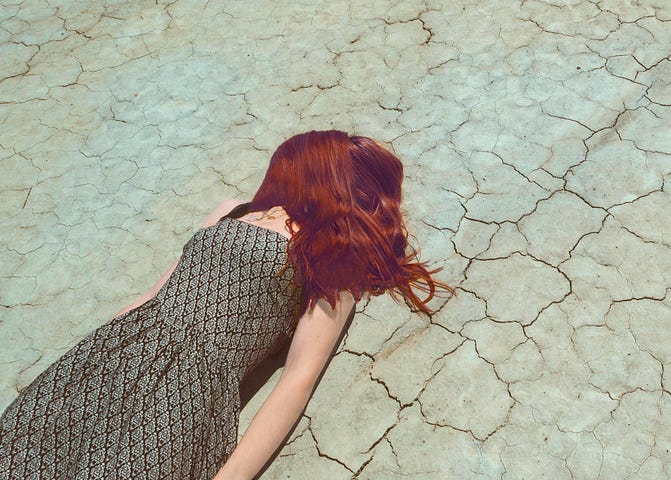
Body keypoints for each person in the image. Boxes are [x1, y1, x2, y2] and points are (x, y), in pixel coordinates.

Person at [0, 130, 452, 479]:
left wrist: (231, 474)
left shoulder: (333, 255)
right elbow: (157, 291)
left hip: (187, 388)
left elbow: (297, 379)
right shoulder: (232, 209)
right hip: (117, 353)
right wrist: (83, 360)